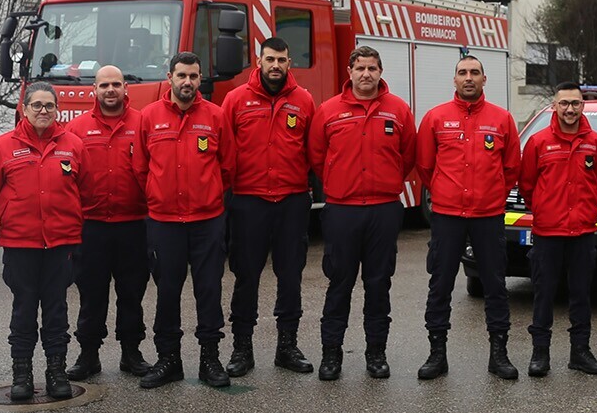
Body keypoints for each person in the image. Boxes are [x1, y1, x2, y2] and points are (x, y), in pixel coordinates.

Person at [307, 45, 417, 380]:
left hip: (383, 210)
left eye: (372, 68)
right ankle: (331, 356)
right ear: (350, 72)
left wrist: (385, 182)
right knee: (339, 284)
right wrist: (342, 183)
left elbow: (408, 155)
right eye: (360, 68)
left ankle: (376, 355)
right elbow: (317, 156)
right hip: (342, 210)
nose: (366, 74)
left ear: (380, 72)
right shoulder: (329, 110)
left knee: (378, 284)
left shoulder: (398, 110)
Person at [416, 55, 523, 381]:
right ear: (455, 79)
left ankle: (499, 354)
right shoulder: (435, 118)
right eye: (463, 73)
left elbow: (511, 169)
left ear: (484, 79)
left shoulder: (502, 120)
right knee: (440, 286)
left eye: (474, 73)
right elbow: (425, 166)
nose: (468, 78)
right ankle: (437, 355)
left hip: (488, 217)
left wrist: (489, 194)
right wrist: (447, 192)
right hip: (448, 217)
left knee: (495, 286)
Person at [132, 53, 234, 388]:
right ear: (170, 77)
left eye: (193, 76)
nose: (187, 82)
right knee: (167, 292)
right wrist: (160, 195)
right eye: (181, 76)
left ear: (200, 78)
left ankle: (210, 359)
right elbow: (141, 168)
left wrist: (207, 193)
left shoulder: (216, 117)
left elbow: (227, 166)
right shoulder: (149, 117)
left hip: (207, 221)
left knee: (208, 290)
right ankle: (169, 360)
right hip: (164, 222)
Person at [0, 83, 87, 401]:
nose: (44, 111)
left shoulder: (74, 145)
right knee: (23, 311)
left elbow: (85, 188)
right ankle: (22, 375)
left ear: (57, 109)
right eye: (37, 105)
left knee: (57, 311)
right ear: (24, 109)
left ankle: (56, 373)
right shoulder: (1, 145)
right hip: (21, 245)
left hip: (60, 244)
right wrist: (13, 220)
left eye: (49, 106)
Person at [222, 37, 317, 377]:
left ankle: (287, 347)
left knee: (290, 276)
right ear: (258, 61)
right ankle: (241, 349)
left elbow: (314, 150)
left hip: (291, 200)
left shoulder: (303, 101)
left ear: (290, 63)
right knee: (246, 277)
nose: (276, 65)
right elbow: (225, 150)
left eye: (282, 59)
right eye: (270, 59)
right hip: (249, 201)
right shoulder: (235, 100)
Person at [518, 82, 597, 377]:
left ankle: (580, 353)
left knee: (581, 295)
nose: (569, 109)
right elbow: (528, 185)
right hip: (548, 233)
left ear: (582, 106)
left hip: (583, 232)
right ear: (554, 106)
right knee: (543, 294)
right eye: (564, 104)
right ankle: (540, 354)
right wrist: (546, 209)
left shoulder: (596, 143)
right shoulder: (538, 142)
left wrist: (587, 209)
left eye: (575, 103)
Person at [65, 65, 153, 382]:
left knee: (132, 294)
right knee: (91, 295)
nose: (111, 90)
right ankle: (88, 356)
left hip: (133, 225)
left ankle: (132, 353)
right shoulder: (76, 129)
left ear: (126, 88)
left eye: (117, 84)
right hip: (92, 226)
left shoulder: (142, 124)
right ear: (95, 90)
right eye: (105, 85)